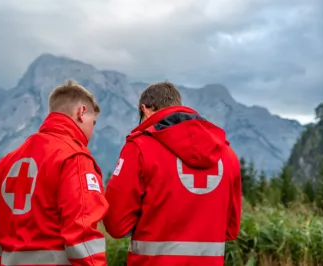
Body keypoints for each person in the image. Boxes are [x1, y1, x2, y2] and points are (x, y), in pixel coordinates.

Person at [103, 81, 242, 266]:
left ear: (145, 110)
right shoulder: (227, 154)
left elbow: (116, 225)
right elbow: (231, 230)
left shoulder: (139, 148)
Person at [0, 80, 109, 266]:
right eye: (93, 122)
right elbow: (82, 237)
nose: (91, 132)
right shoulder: (74, 158)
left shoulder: (7, 163)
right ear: (81, 112)